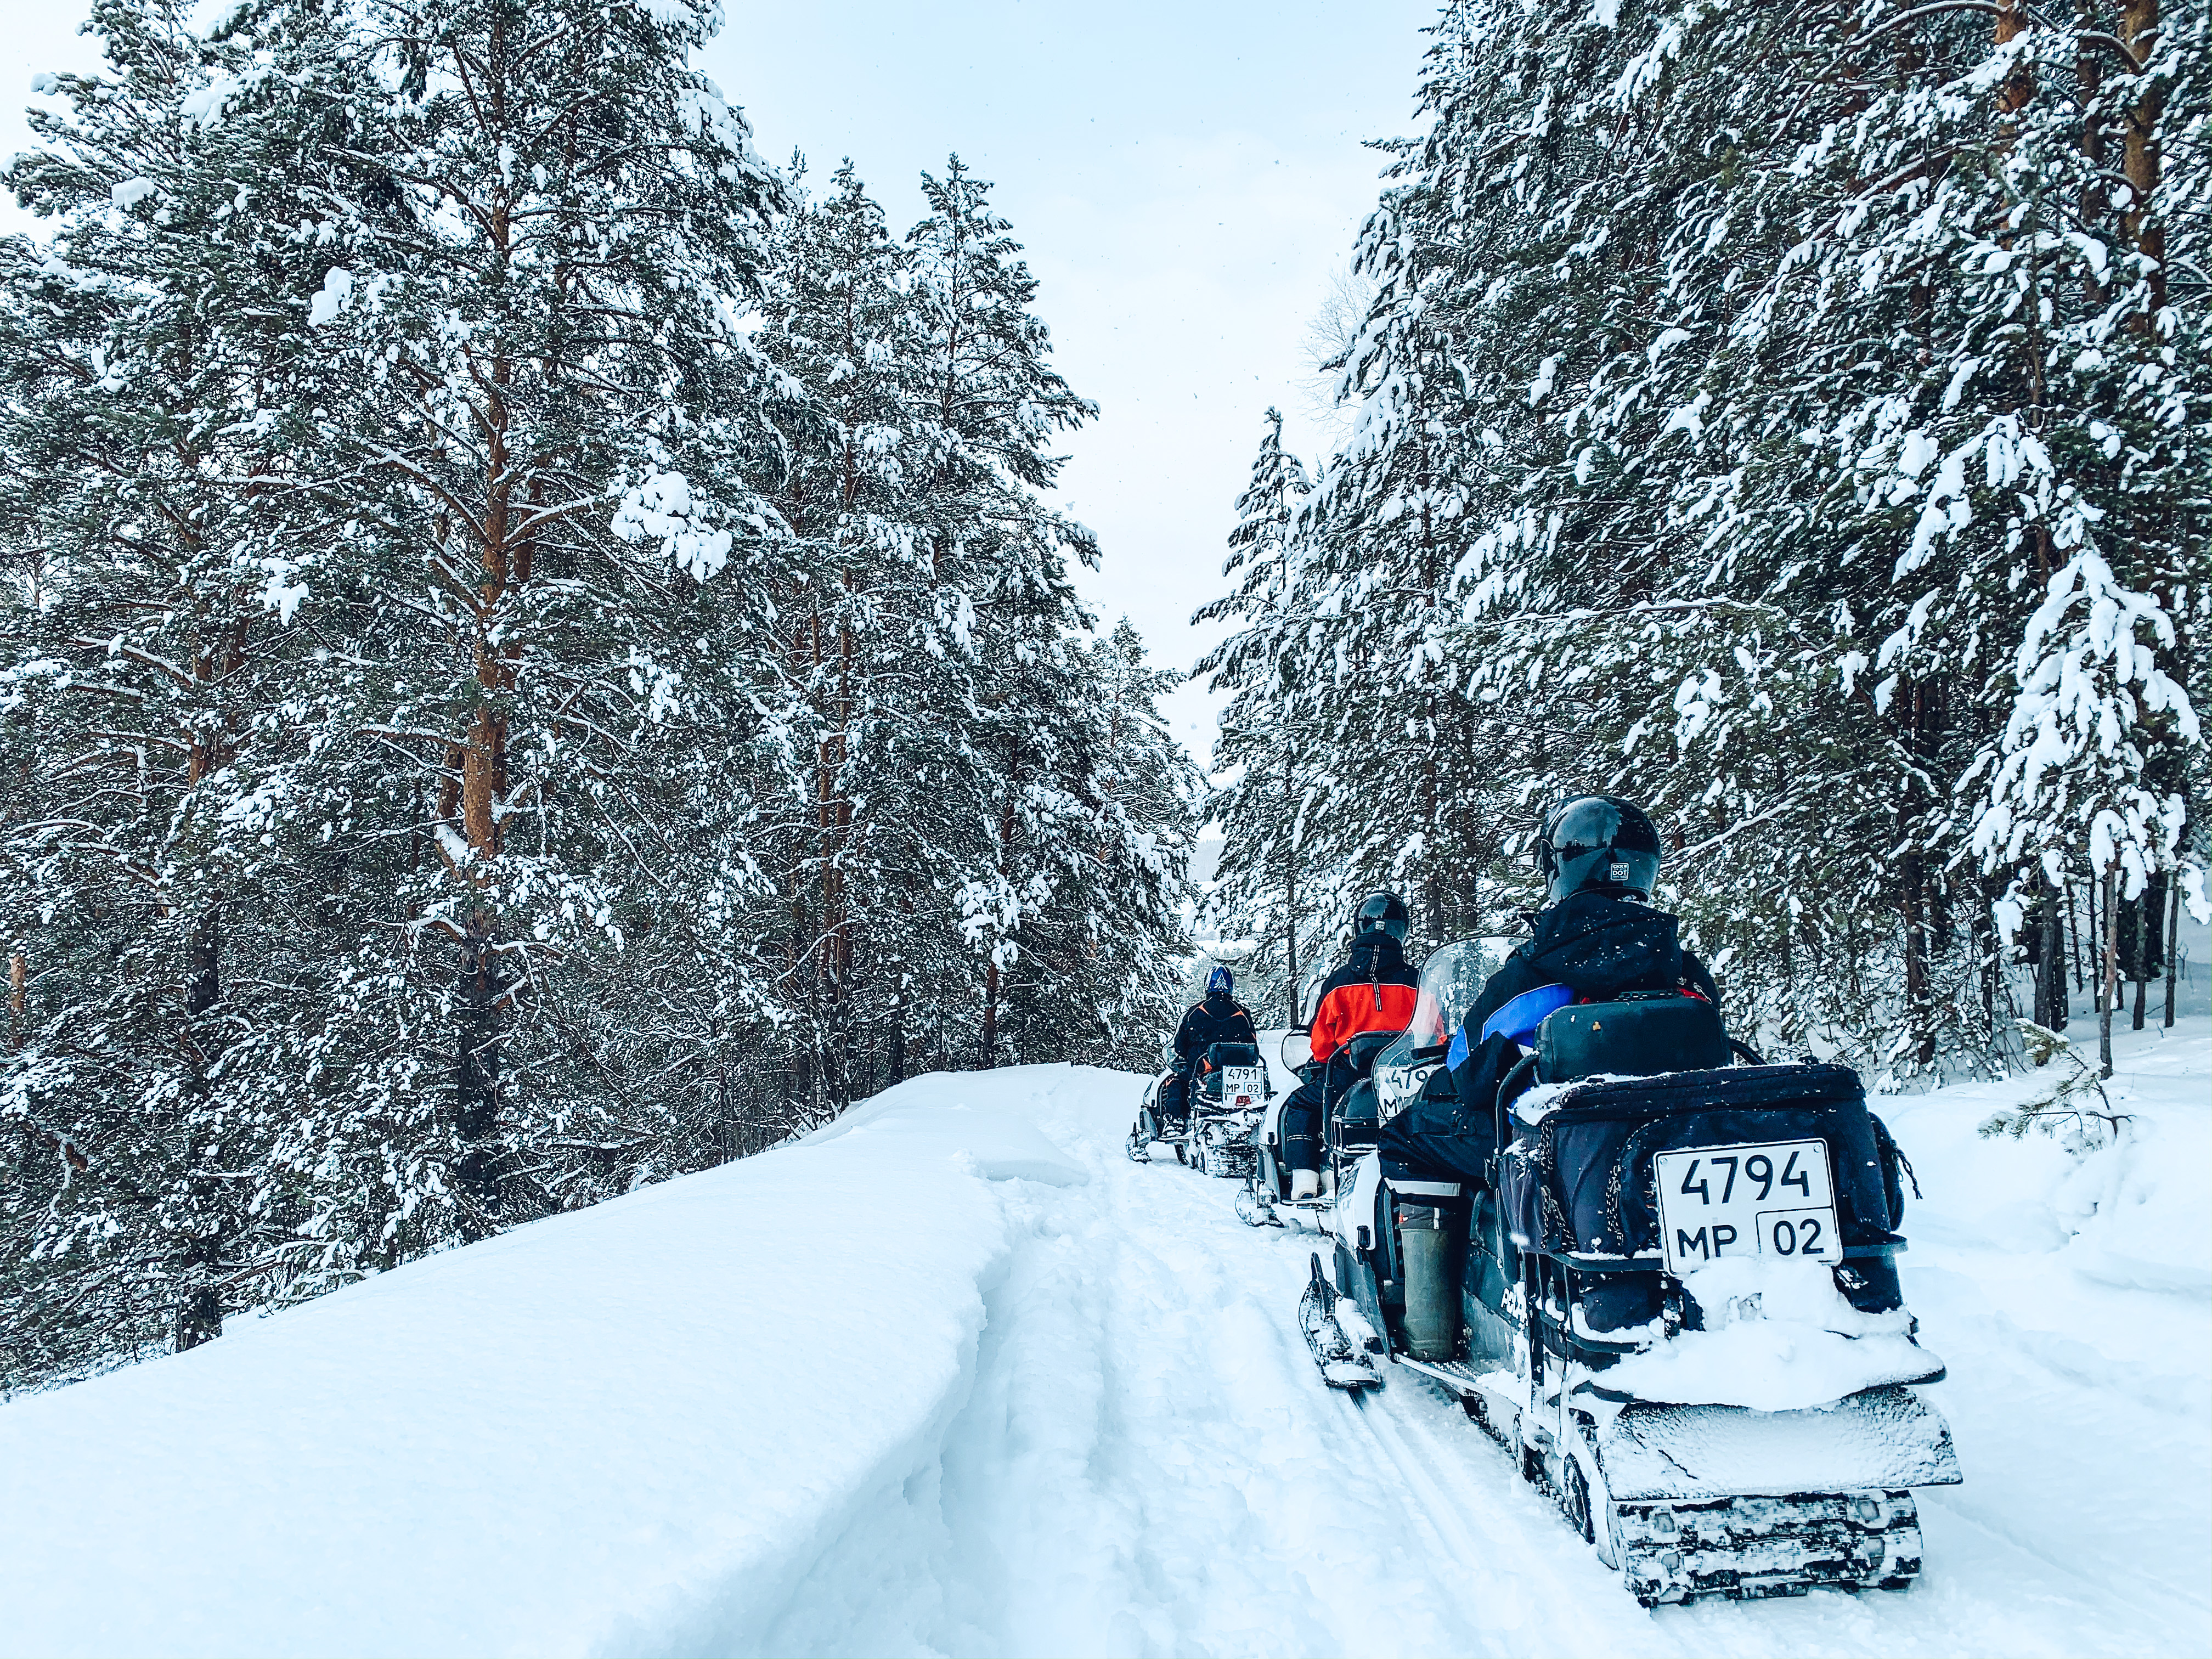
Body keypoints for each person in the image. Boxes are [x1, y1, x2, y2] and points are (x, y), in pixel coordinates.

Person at [1379, 795, 1719, 1186]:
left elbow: (1467, 1073)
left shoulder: (1535, 972)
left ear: (1558, 867)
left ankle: (1476, 1243)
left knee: (1404, 1136)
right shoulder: (1685, 971)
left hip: (1562, 1150)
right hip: (1680, 1135)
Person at [1278, 892, 1420, 1198]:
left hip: (1350, 1077)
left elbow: (1321, 1044)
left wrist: (1323, 1063)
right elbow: (1436, 1035)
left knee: (1301, 1104)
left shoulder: (1339, 982)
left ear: (1360, 928)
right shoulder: (1417, 982)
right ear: (1401, 930)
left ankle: (1306, 1181)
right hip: (1405, 1080)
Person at [1162, 965, 1259, 1128]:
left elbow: (1179, 1045)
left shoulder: (1194, 1012)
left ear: (1208, 984)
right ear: (1231, 986)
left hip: (1204, 1069)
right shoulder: (1243, 1013)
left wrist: (1189, 1054)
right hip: (1241, 1073)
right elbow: (1253, 1045)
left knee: (1175, 1082)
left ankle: (1175, 1123)